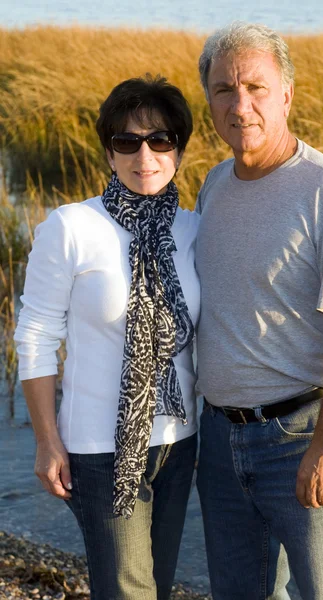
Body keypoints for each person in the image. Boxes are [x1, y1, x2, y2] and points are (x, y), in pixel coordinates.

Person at [195, 22, 323, 600]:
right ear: (209, 99)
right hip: (221, 440)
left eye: (255, 87)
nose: (240, 103)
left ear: (286, 95)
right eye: (224, 89)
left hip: (301, 436)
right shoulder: (213, 184)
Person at [14, 75, 200, 600]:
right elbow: (35, 336)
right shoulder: (71, 227)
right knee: (125, 590)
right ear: (109, 153)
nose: (145, 154)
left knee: (156, 587)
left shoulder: (191, 228)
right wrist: (47, 440)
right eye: (127, 141)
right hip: (100, 448)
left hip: (177, 443)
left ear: (179, 152)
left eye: (160, 140)